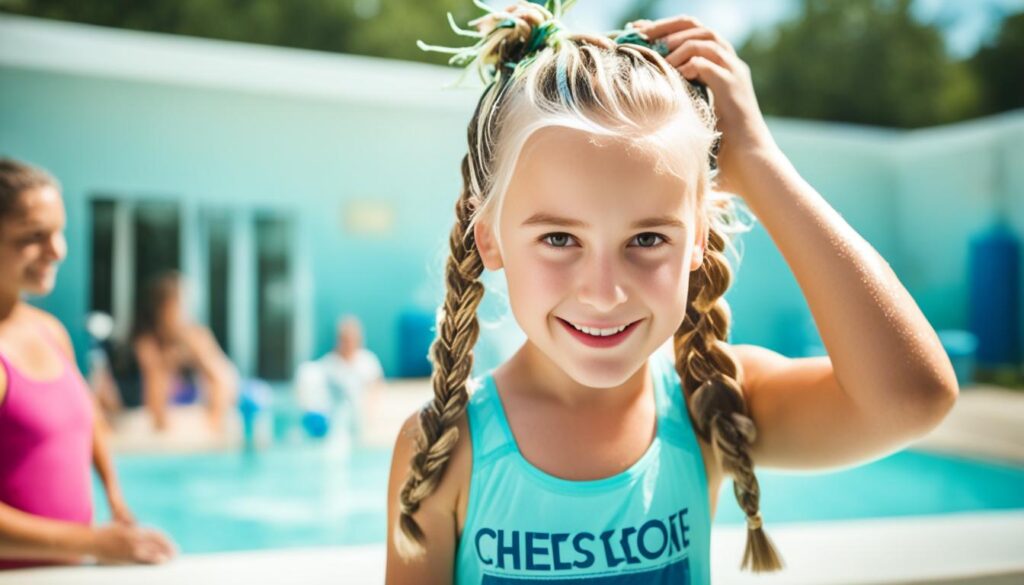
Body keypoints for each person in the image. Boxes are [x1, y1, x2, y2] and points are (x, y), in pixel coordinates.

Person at [386, 3, 960, 584]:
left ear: (698, 241)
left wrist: (759, 161)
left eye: (648, 237)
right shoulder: (444, 449)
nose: (605, 292)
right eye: (560, 238)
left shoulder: (709, 407)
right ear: (490, 239)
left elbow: (911, 399)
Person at [0, 157, 176, 568]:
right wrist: (95, 542)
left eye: (60, 232)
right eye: (34, 236)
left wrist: (114, 497)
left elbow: (85, 419)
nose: (57, 250)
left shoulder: (49, 331)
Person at [132, 271, 237, 433]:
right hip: (158, 418)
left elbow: (227, 381)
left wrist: (202, 356)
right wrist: (169, 361)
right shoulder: (147, 342)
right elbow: (153, 396)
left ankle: (214, 430)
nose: (185, 311)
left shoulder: (197, 336)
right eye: (180, 304)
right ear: (162, 308)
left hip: (198, 415)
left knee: (219, 379)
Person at [295, 316, 384, 440]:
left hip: (358, 418)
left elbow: (376, 385)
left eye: (352, 339)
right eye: (345, 339)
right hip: (335, 421)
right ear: (339, 340)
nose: (349, 343)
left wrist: (369, 414)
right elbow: (308, 381)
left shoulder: (367, 361)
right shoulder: (329, 364)